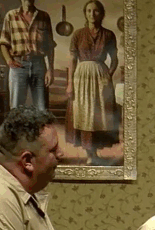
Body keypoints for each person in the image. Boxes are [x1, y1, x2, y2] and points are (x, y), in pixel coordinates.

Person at [66, 0, 118, 164]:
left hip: (100, 76)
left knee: (98, 115)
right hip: (81, 76)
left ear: (101, 14)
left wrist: (108, 75)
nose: (92, 14)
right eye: (89, 11)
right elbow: (72, 60)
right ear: (85, 13)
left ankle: (95, 152)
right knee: (84, 113)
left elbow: (114, 59)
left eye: (96, 11)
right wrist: (70, 83)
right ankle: (90, 153)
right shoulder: (78, 34)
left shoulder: (108, 35)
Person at [0, 0, 56, 113]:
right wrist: (9, 60)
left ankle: (40, 125)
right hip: (18, 65)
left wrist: (50, 69)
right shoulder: (10, 16)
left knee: (42, 108)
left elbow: (50, 46)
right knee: (16, 108)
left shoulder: (44, 16)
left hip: (39, 65)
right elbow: (3, 42)